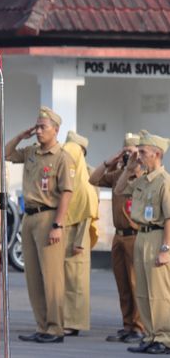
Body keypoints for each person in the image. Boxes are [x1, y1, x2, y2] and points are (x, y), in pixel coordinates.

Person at [5, 106, 74, 344]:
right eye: (36, 126)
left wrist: (58, 224)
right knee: (33, 276)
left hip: (48, 217)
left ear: (56, 130)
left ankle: (55, 328)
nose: (38, 131)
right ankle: (42, 326)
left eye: (43, 127)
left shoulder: (63, 157)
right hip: (30, 217)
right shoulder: (31, 152)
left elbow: (66, 193)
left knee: (52, 277)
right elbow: (5, 153)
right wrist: (21, 136)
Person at [117, 130, 170, 354]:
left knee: (159, 292)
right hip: (142, 236)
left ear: (157, 154)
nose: (139, 155)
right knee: (143, 291)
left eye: (143, 152)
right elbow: (120, 190)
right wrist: (129, 166)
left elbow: (169, 217)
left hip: (158, 235)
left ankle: (164, 337)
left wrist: (166, 248)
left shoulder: (164, 182)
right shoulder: (142, 180)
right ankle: (150, 335)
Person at [89, 132, 145, 343]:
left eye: (131, 152)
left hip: (135, 235)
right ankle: (127, 325)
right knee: (122, 284)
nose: (127, 157)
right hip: (118, 236)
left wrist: (132, 165)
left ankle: (139, 327)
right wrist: (110, 161)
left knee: (134, 283)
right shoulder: (119, 174)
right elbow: (93, 178)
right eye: (125, 152)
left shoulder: (143, 176)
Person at [61, 130, 99, 336]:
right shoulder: (65, 173)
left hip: (78, 234)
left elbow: (88, 212)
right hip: (62, 231)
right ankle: (63, 319)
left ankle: (74, 322)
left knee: (76, 281)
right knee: (64, 280)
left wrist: (80, 241)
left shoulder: (88, 177)